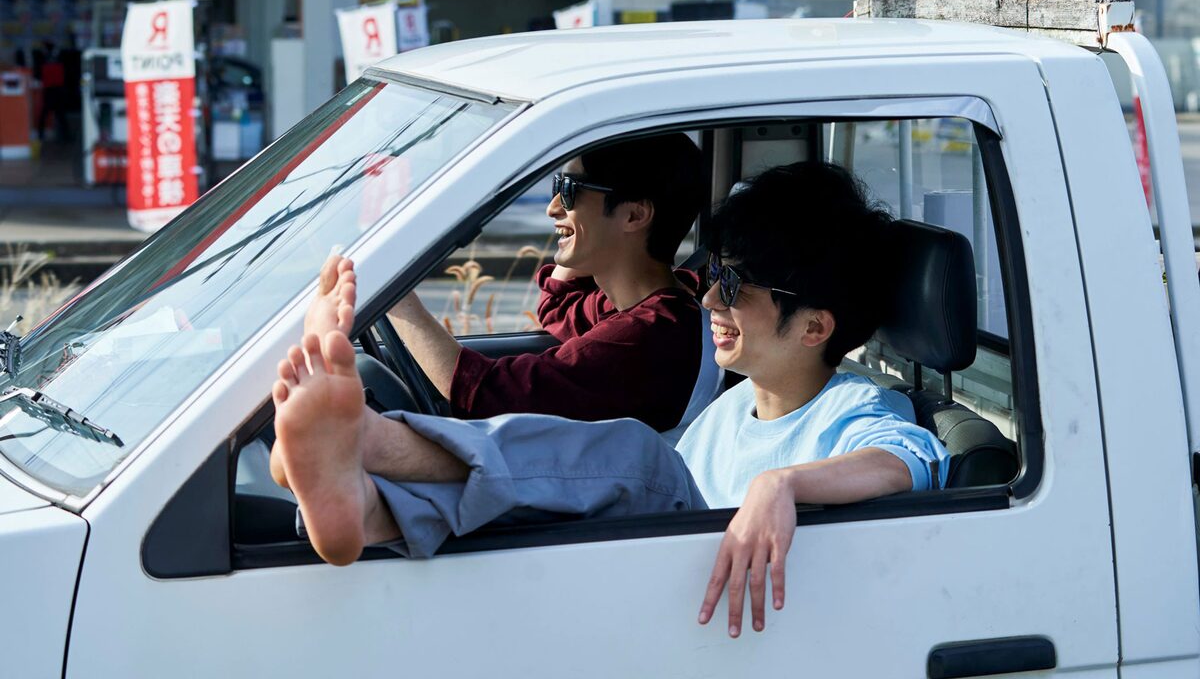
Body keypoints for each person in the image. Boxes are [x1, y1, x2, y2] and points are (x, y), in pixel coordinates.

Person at [269, 161, 950, 638]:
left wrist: (782, 485)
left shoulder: (852, 409)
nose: (710, 300)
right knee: (571, 486)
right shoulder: (732, 407)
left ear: (814, 328)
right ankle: (370, 503)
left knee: (635, 454)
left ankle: (367, 444)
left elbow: (908, 460)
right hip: (659, 587)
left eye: (733, 287)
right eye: (712, 275)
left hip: (691, 603)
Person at [386, 133, 706, 430]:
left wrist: (395, 298)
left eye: (570, 190)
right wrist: (575, 239)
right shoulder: (642, 306)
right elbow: (558, 308)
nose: (552, 207)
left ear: (634, 215)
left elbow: (485, 393)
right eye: (557, 185)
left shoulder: (644, 336)